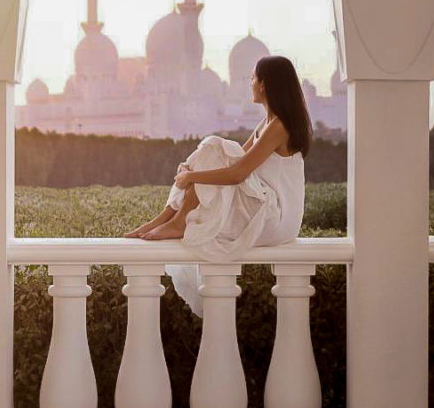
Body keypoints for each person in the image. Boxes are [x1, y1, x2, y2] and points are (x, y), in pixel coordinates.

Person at [124, 55, 313, 316]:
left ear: (264, 85)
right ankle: (166, 219)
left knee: (213, 146)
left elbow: (237, 173)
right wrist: (194, 169)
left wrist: (192, 177)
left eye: (252, 79)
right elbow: (235, 157)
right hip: (264, 203)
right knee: (215, 147)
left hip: (277, 217)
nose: (249, 84)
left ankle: (176, 221)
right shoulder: (267, 123)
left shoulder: (279, 127)